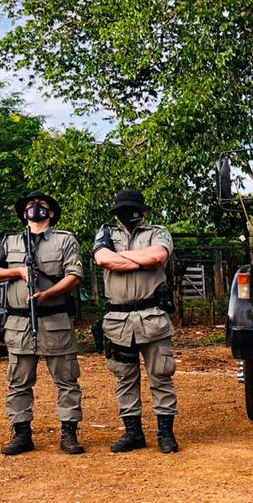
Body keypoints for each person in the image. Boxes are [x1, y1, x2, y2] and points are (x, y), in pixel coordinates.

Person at [0, 191, 85, 455]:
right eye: (30, 205)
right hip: (19, 323)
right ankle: (21, 434)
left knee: (67, 380)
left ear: (51, 213)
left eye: (41, 205)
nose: (35, 208)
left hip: (55, 320)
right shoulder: (11, 241)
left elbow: (74, 275)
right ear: (23, 213)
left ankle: (69, 433)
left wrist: (47, 294)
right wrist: (18, 271)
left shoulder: (65, 240)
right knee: (18, 381)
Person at [92, 189, 179, 454]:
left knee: (161, 375)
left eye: (132, 209)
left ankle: (165, 433)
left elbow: (157, 256)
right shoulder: (106, 233)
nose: (126, 214)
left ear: (143, 211)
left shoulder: (158, 232)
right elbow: (103, 259)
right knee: (125, 377)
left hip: (152, 316)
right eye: (122, 210)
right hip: (117, 321)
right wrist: (140, 261)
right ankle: (133, 433)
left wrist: (121, 259)